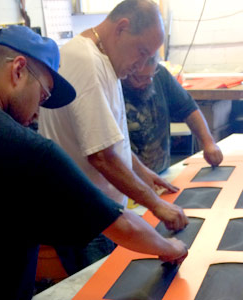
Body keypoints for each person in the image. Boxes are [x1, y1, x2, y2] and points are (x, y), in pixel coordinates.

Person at [0, 25, 188, 300]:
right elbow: (120, 224)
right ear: (18, 71)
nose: (37, 112)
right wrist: (170, 247)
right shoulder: (28, 150)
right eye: (42, 96)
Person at [38, 0, 188, 275]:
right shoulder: (86, 62)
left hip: (101, 215)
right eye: (141, 52)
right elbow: (101, 157)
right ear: (122, 28)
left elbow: (107, 139)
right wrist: (156, 205)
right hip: (85, 221)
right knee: (100, 288)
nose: (141, 64)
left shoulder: (102, 60)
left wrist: (141, 171)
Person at [122, 53, 223, 174]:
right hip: (129, 178)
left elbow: (188, 107)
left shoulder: (160, 74)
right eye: (141, 78)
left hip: (162, 173)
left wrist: (208, 142)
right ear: (126, 73)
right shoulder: (113, 86)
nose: (149, 82)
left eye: (151, 75)